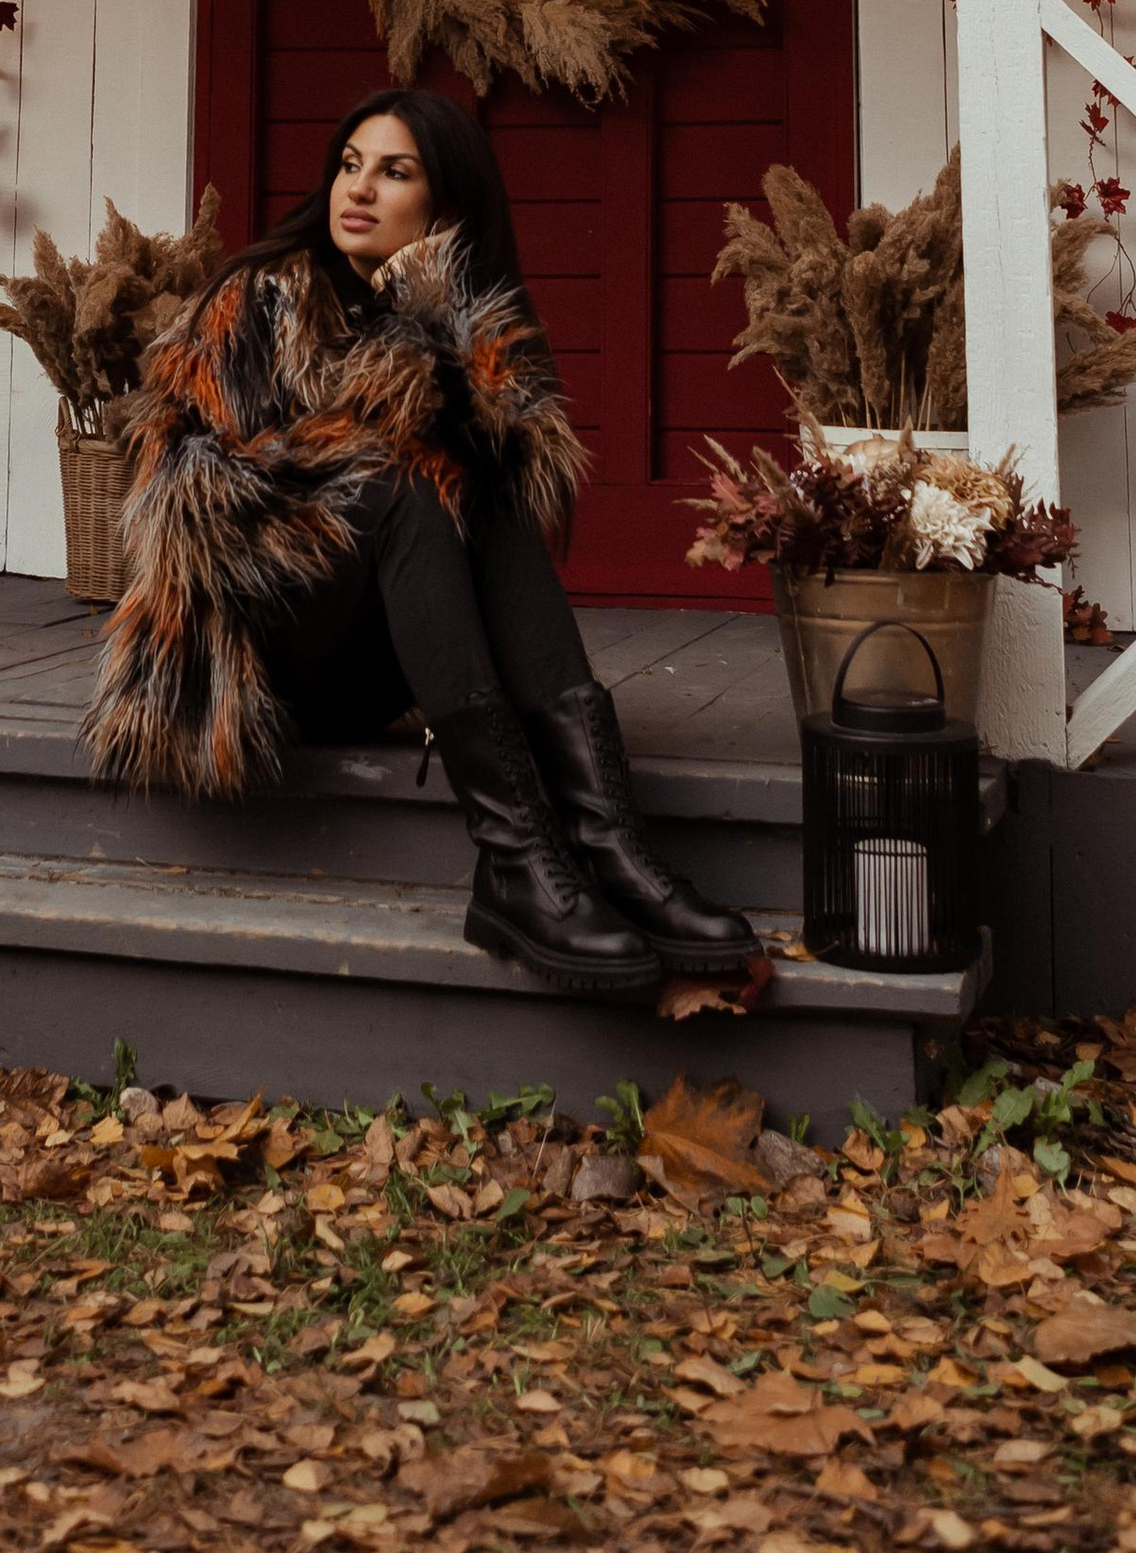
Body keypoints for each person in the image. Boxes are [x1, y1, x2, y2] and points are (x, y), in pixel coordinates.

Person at [85, 86, 758, 996]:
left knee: (484, 492)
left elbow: (516, 475)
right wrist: (342, 469)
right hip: (250, 655)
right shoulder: (258, 298)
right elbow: (179, 505)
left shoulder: (464, 318)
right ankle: (519, 855)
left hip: (374, 659)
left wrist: (429, 325)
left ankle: (609, 848)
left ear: (443, 208)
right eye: (350, 165)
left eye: (393, 172)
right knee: (403, 487)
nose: (356, 189)